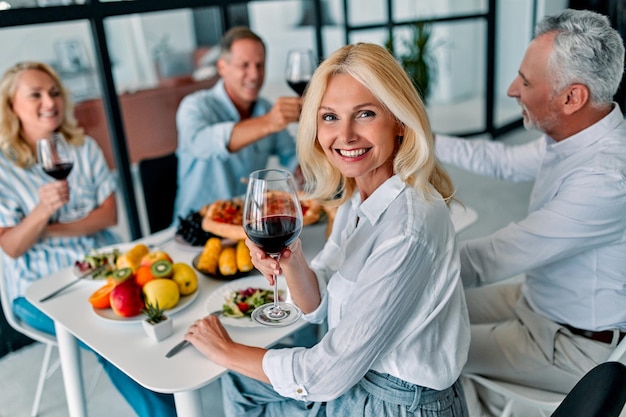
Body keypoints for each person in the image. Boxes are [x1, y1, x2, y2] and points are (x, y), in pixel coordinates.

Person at [183, 43, 470, 417]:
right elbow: (318, 306)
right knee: (238, 381)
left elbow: (325, 375)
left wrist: (228, 350)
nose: (345, 135)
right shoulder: (358, 196)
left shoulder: (408, 227)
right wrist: (291, 259)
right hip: (363, 382)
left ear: (399, 120)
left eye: (365, 114)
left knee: (235, 370)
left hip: (398, 405)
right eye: (329, 117)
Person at [434, 9, 626, 416]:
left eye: (525, 80)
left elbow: (492, 258)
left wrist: (390, 272)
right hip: (537, 301)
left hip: (571, 344)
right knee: (426, 308)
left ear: (572, 98)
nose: (511, 90)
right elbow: (502, 162)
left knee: (420, 344)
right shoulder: (580, 132)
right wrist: (421, 138)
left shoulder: (606, 178)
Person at [0, 61, 176, 417]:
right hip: (39, 290)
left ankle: (179, 390)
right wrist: (40, 211)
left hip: (104, 271)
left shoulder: (82, 147)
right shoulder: (4, 167)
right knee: (111, 334)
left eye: (53, 93)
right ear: (11, 106)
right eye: (35, 95)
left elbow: (107, 216)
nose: (49, 102)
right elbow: (12, 246)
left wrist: (48, 229)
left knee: (161, 307)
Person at [173, 26, 301, 220]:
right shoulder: (195, 106)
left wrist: (307, 174)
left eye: (260, 65)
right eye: (245, 65)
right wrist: (268, 122)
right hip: (197, 227)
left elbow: (291, 156)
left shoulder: (265, 108)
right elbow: (202, 143)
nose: (255, 75)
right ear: (222, 67)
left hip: (249, 224)